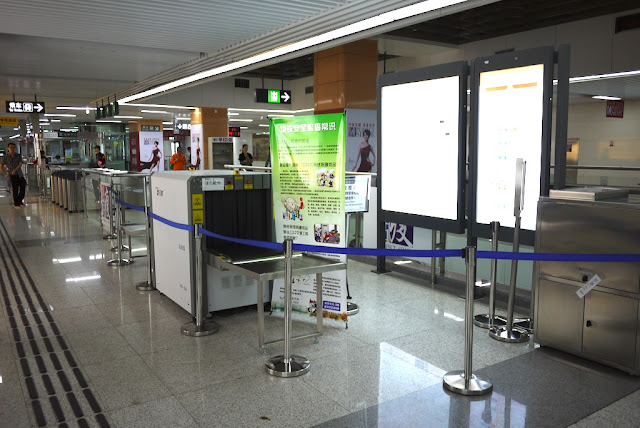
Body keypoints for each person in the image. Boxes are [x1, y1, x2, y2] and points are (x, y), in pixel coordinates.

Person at [1, 142, 27, 207]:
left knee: (23, 186)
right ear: (8, 148)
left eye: (13, 147)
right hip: (12, 175)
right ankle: (17, 203)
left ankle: (20, 200)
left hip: (19, 174)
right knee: (15, 189)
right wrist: (5, 174)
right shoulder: (6, 157)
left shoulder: (18, 155)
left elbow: (20, 164)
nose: (12, 149)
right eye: (11, 147)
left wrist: (15, 170)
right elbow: (1, 165)